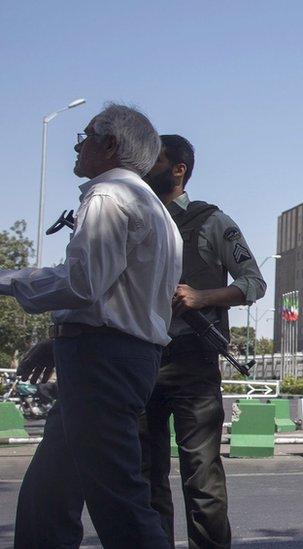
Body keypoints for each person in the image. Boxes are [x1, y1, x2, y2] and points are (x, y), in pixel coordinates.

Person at [5, 103, 178, 548]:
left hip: (102, 360)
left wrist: (9, 282)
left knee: (119, 504)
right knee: (48, 497)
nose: (78, 146)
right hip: (115, 358)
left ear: (110, 144)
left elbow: (82, 284)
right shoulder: (155, 209)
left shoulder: (107, 197)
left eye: (85, 135)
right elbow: (114, 295)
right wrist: (58, 337)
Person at [139, 134, 267, 548]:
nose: (146, 165)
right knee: (144, 475)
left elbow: (254, 283)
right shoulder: (134, 218)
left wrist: (200, 297)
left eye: (155, 159)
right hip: (140, 359)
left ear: (179, 169)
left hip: (192, 361)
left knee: (202, 476)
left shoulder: (211, 221)